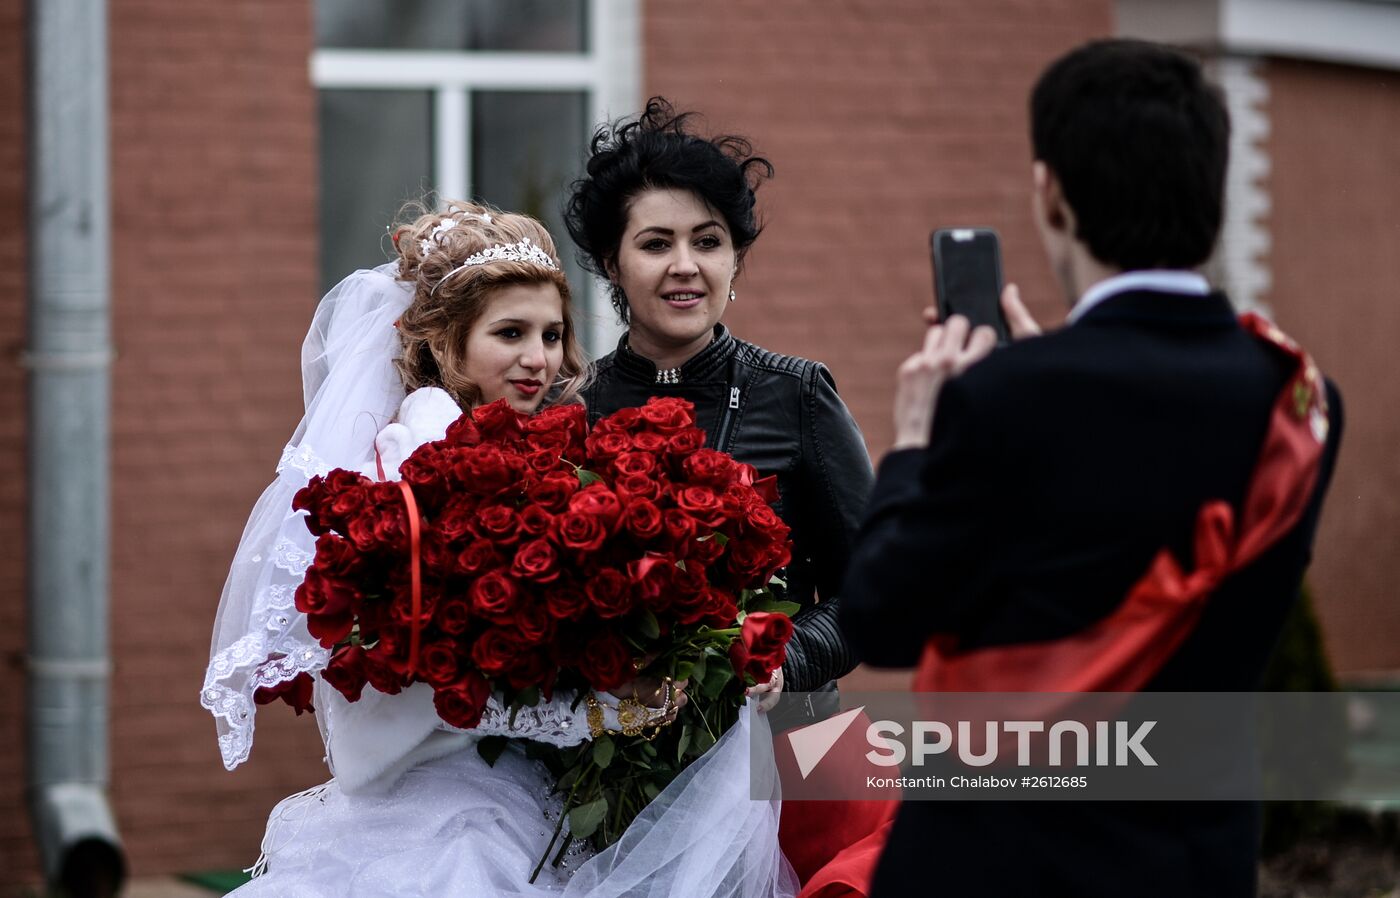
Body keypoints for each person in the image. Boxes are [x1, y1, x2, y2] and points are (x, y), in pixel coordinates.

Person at [839, 39, 1344, 897]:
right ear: (1211, 192)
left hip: (1001, 858)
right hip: (1195, 860)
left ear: (1053, 195)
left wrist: (917, 441)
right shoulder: (1298, 397)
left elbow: (881, 619)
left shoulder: (1005, 400)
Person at [201, 202, 795, 897]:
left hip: (524, 797)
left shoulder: (536, 453)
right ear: (447, 346)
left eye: (551, 333)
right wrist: (599, 712)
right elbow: (422, 688)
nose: (538, 358)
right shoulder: (414, 459)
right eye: (509, 332)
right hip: (448, 818)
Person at [565, 99, 890, 893]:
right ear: (611, 264)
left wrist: (786, 655)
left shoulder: (799, 396)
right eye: (656, 243)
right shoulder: (570, 413)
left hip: (789, 766)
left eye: (708, 242)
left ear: (735, 260)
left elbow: (876, 593)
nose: (686, 266)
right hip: (614, 784)